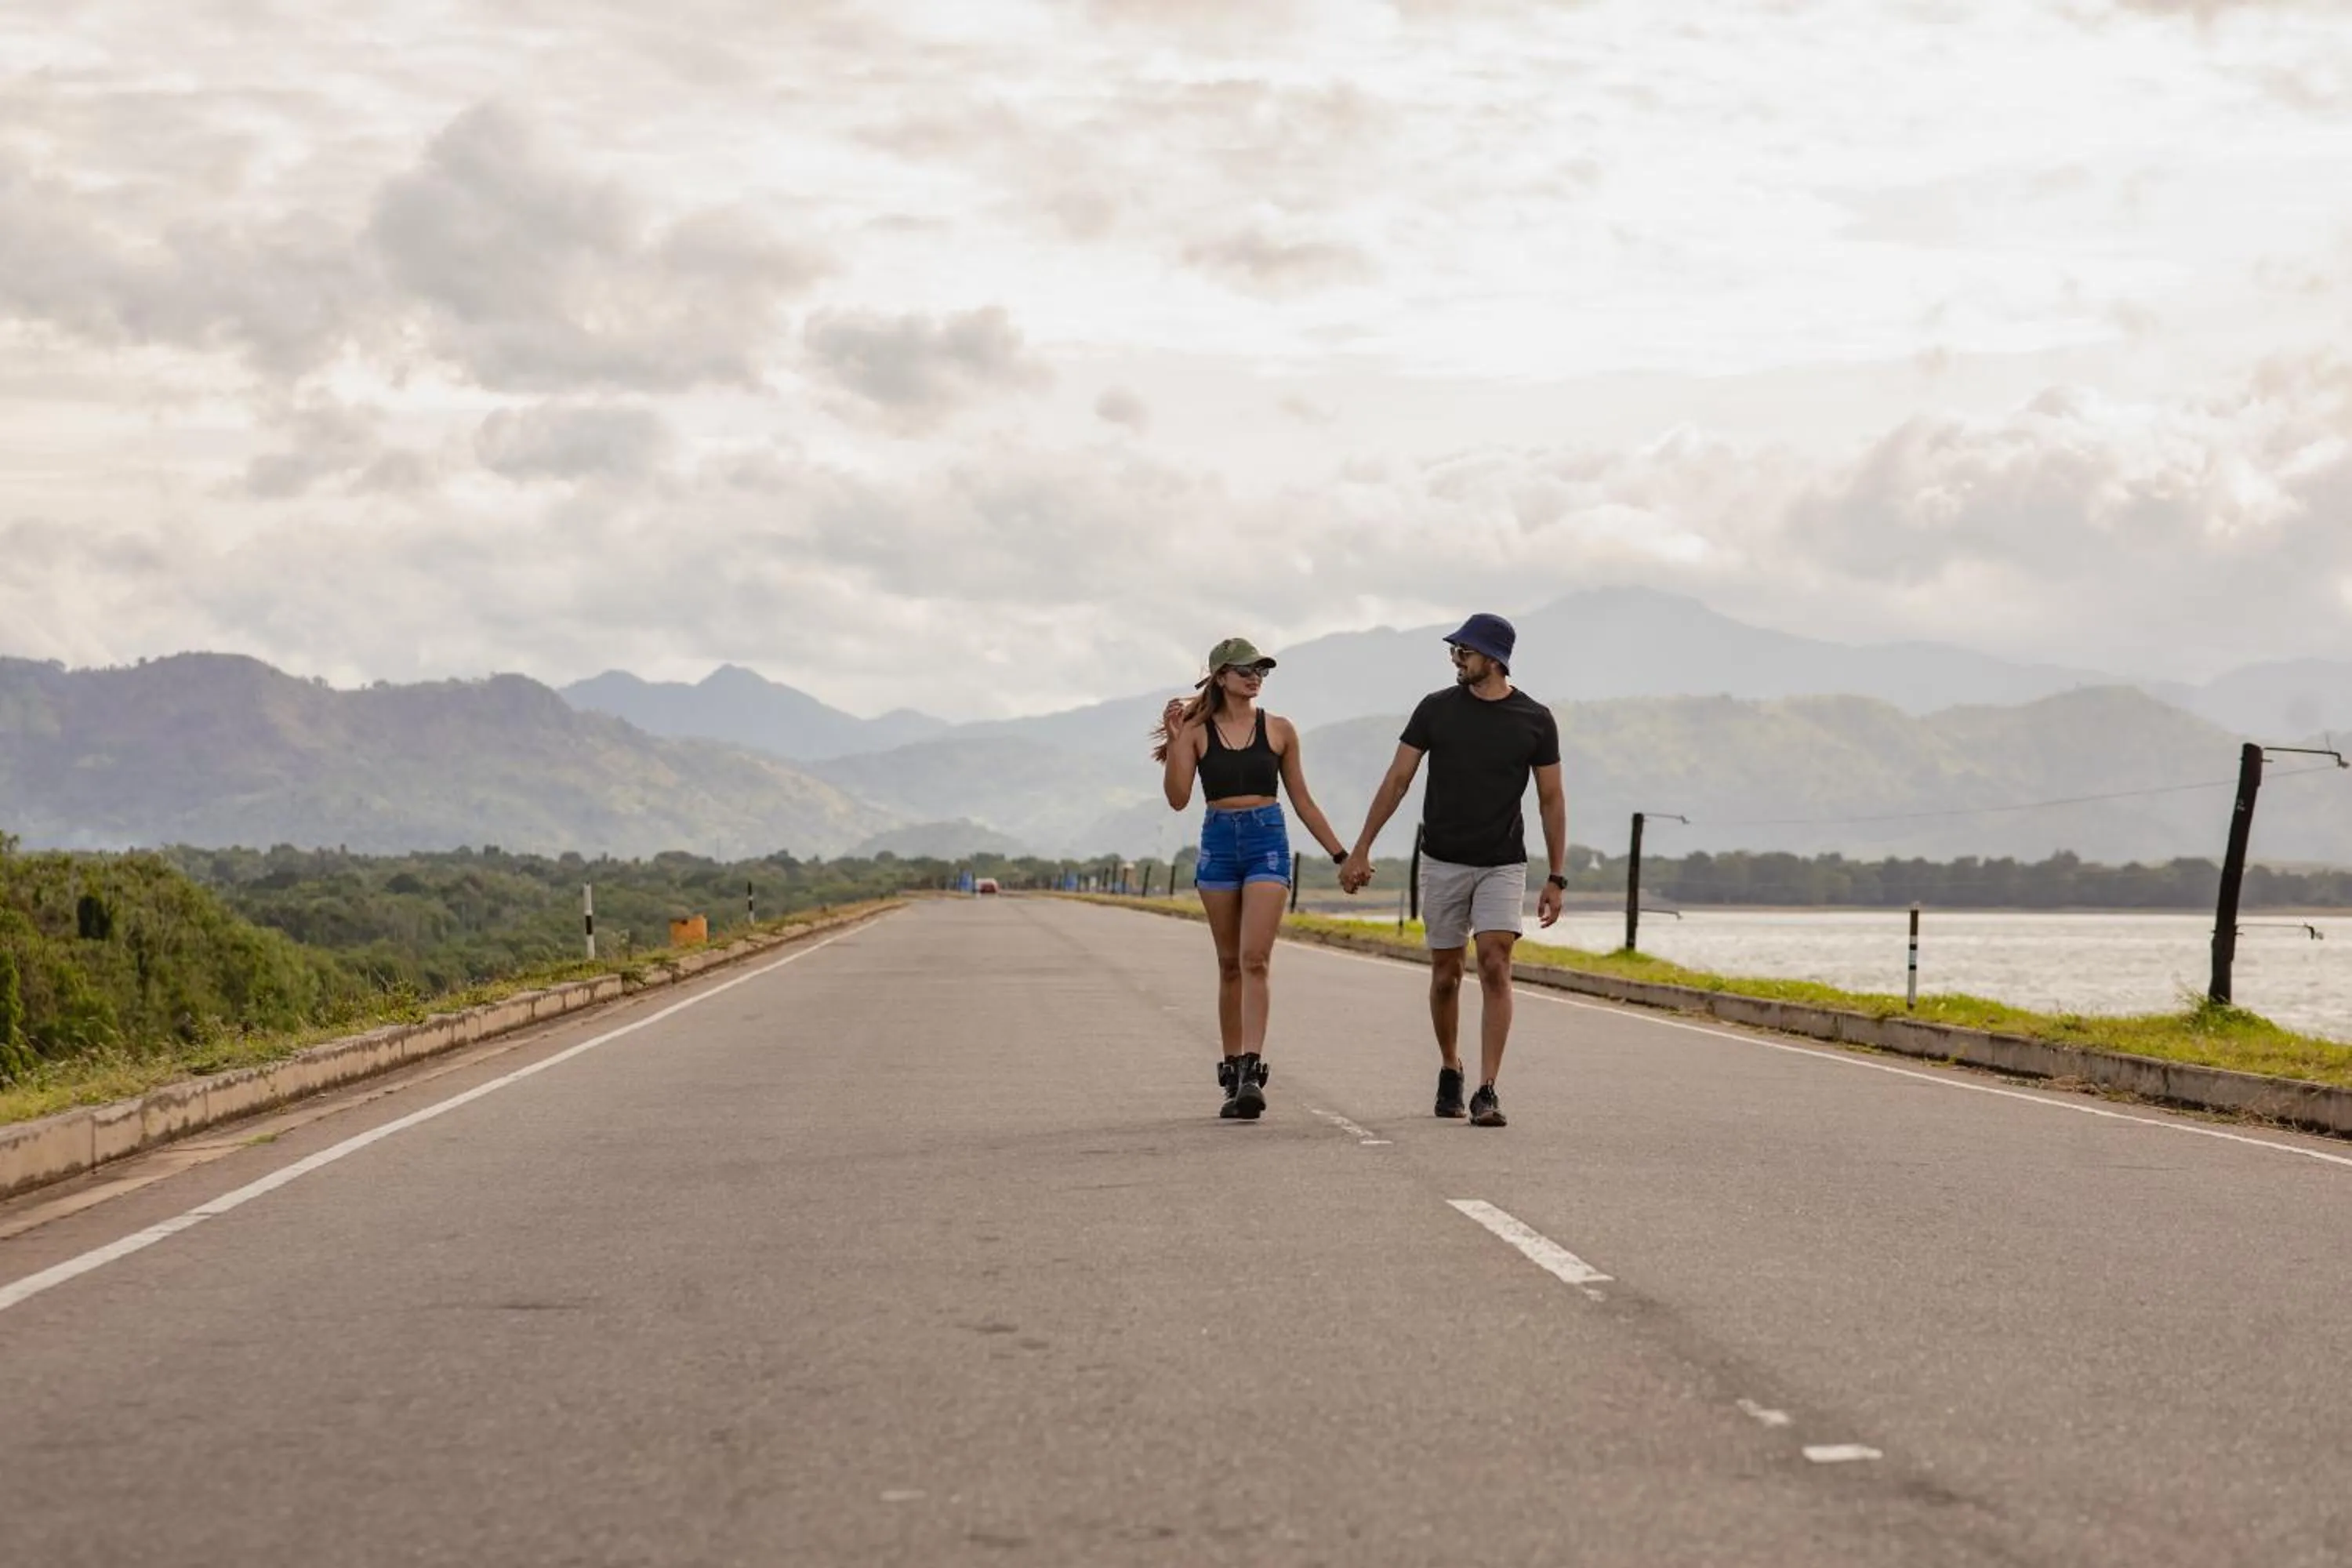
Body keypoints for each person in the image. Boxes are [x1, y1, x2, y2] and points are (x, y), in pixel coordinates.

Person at [1339, 613, 1566, 1128]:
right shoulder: (1435, 710)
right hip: (1442, 859)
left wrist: (1557, 874)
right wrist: (1361, 848)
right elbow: (1398, 778)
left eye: (1465, 651)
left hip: (1503, 863)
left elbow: (1551, 798)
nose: (1456, 659)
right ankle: (1450, 1068)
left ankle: (1488, 1089)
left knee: (1493, 960)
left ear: (1494, 658)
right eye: (1455, 651)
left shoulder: (1535, 720)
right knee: (1445, 975)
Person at [1155, 637, 1352, 1120]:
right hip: (1219, 843)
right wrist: (1178, 738)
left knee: (1254, 958)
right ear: (1220, 676)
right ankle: (1229, 1068)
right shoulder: (1198, 731)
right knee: (1228, 964)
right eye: (1245, 669)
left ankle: (1250, 1070)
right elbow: (1179, 798)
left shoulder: (1281, 730)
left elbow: (1302, 799)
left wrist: (1341, 854)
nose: (1255, 676)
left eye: (1261, 669)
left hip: (1267, 839)